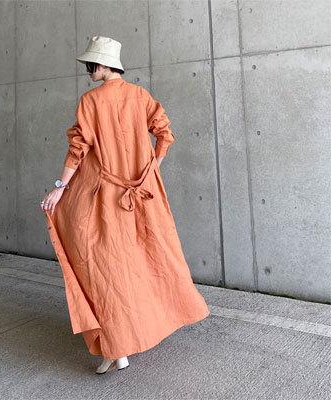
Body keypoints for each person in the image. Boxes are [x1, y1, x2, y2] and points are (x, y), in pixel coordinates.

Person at [40, 36, 210, 374]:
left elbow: (78, 149)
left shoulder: (91, 101)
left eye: (91, 65)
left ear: (104, 65)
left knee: (105, 270)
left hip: (106, 200)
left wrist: (60, 187)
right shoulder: (140, 96)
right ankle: (126, 340)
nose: (88, 71)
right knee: (142, 262)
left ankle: (117, 344)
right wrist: (150, 171)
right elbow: (165, 134)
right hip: (144, 198)